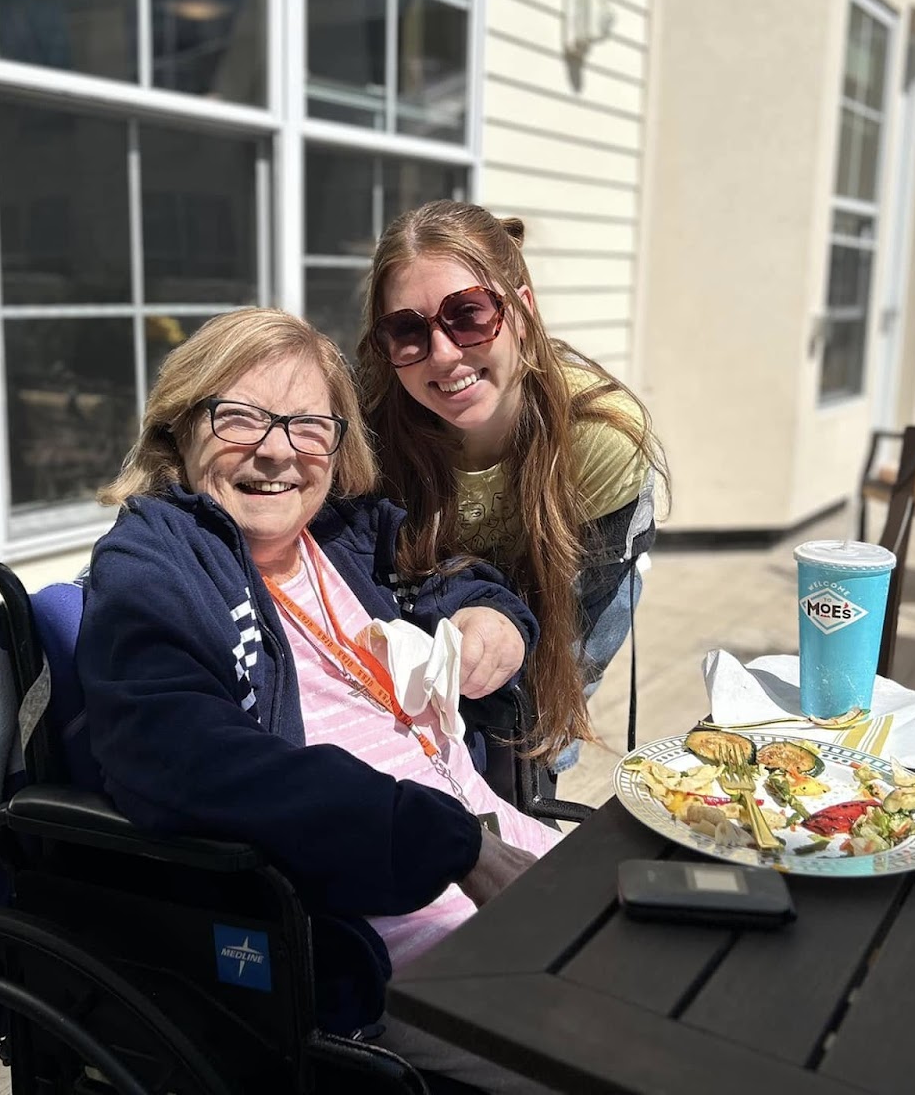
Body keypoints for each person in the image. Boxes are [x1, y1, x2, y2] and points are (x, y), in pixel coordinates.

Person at [77, 307, 558, 1092]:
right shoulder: (153, 567)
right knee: (635, 1055)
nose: (276, 450)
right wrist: (433, 839)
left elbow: (461, 576)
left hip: (498, 855)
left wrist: (492, 618)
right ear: (179, 428)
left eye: (308, 425)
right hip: (376, 941)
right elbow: (180, 757)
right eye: (239, 417)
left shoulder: (349, 532)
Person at [358, 200, 667, 776]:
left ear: (522, 310)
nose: (445, 355)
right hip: (421, 644)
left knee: (529, 753)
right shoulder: (368, 428)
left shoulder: (599, 438)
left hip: (560, 613)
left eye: (469, 315)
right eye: (406, 331)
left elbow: (574, 629)